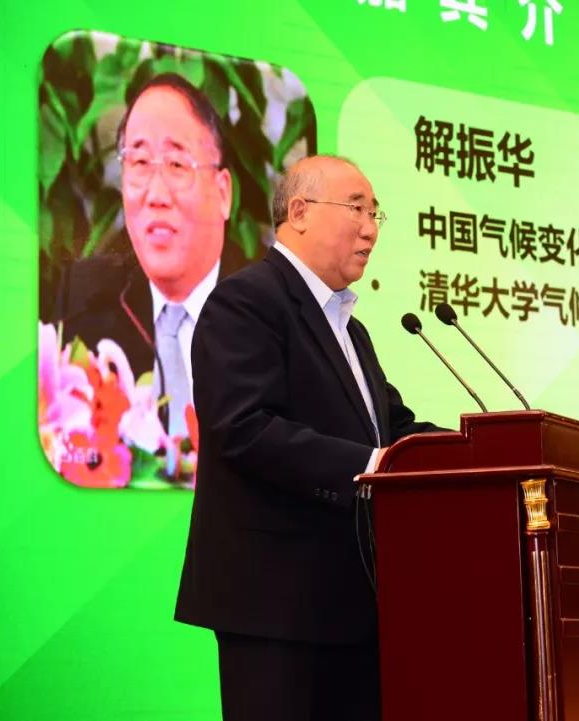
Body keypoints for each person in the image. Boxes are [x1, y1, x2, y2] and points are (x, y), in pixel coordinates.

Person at [175, 155, 439, 720]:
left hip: (352, 601)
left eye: (376, 214)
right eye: (357, 209)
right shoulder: (246, 300)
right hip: (275, 603)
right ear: (298, 212)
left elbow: (393, 428)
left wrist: (485, 448)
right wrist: (371, 466)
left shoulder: (351, 329)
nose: (371, 229)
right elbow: (244, 427)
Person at [53, 72, 246, 448]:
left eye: (177, 165)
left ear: (223, 193)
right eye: (140, 162)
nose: (156, 195)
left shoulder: (272, 315)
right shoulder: (83, 300)